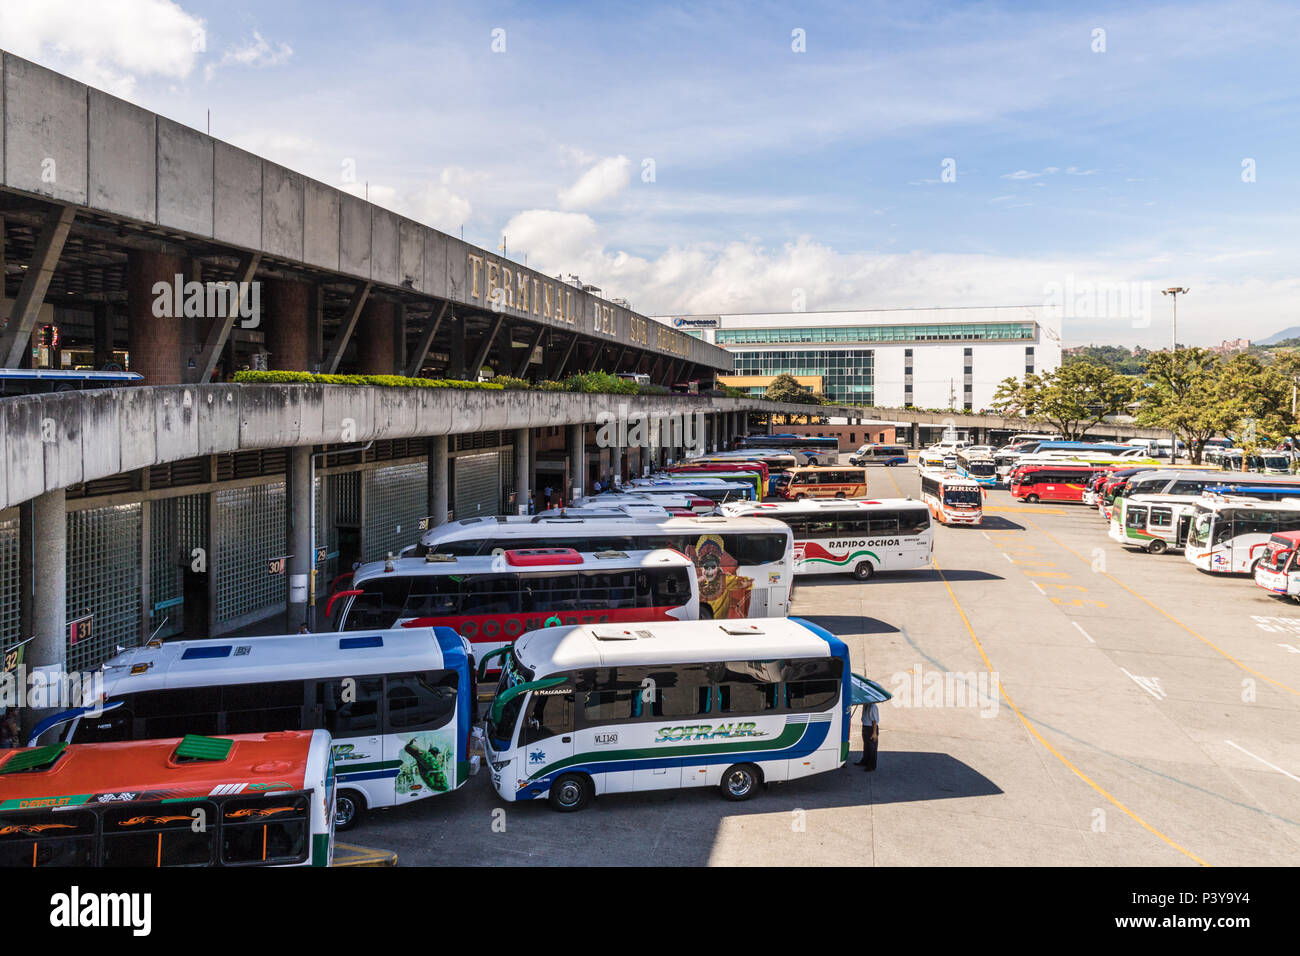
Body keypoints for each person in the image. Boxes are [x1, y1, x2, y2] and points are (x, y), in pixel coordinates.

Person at [857, 701, 879, 771]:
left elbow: (874, 721)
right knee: (866, 746)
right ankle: (864, 762)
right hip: (865, 727)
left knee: (872, 748)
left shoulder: (873, 707)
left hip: (871, 728)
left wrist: (874, 733)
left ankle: (871, 766)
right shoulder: (866, 704)